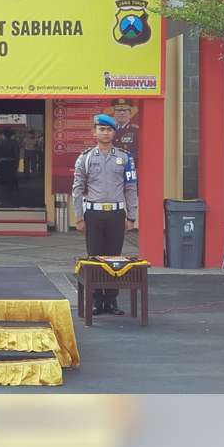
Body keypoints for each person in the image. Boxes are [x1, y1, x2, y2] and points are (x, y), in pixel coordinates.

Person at [72, 114, 138, 316]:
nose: (105, 132)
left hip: (117, 214)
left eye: (109, 129)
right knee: (94, 258)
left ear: (114, 133)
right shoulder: (85, 158)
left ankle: (111, 301)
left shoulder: (125, 158)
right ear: (94, 132)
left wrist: (131, 216)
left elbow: (131, 187)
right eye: (101, 129)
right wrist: (79, 217)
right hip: (93, 214)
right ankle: (96, 301)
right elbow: (77, 188)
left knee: (115, 258)